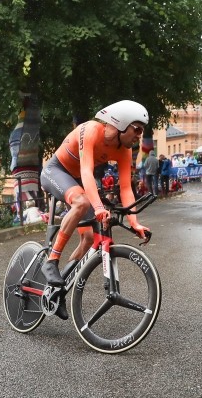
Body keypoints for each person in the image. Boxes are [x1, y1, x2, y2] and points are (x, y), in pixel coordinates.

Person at [39, 100, 150, 320]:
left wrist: (134, 222)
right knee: (82, 203)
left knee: (89, 238)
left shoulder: (124, 151)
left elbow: (127, 188)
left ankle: (57, 291)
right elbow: (87, 172)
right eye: (136, 129)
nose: (139, 135)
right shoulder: (91, 130)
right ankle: (51, 261)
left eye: (142, 131)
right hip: (56, 171)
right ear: (120, 124)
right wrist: (98, 206)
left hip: (77, 178)